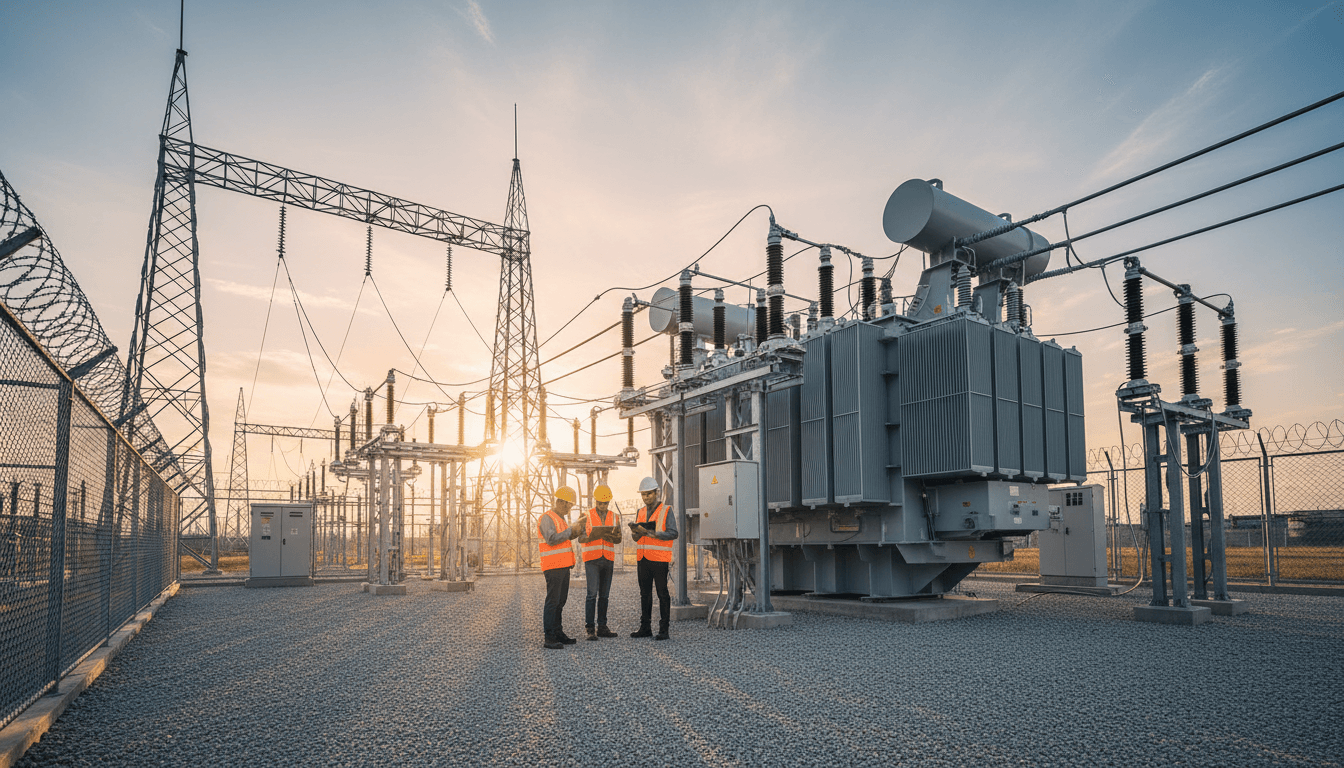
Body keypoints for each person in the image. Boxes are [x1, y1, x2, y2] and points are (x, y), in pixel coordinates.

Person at [629, 476, 677, 641]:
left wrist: (650, 533)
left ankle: (664, 630)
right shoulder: (640, 512)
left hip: (659, 559)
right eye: (643, 494)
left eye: (649, 494)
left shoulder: (666, 510)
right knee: (645, 594)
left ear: (656, 493)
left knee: (662, 593)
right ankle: (645, 628)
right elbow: (636, 539)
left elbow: (673, 533)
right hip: (642, 558)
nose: (646, 497)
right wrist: (635, 533)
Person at [538, 485, 583, 650]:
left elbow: (564, 539)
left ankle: (558, 632)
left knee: (560, 601)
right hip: (553, 566)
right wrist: (570, 530)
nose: (569, 508)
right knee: (553, 601)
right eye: (568, 505)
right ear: (560, 502)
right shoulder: (547, 518)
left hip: (564, 566)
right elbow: (551, 539)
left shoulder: (561, 519)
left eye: (571, 505)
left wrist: (576, 532)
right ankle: (549, 637)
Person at [577, 484, 621, 640]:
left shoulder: (615, 517)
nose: (603, 506)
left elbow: (619, 538)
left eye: (606, 503)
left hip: (608, 559)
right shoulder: (585, 515)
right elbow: (580, 537)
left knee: (604, 595)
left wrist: (609, 536)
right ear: (595, 501)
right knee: (592, 594)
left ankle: (602, 627)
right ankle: (590, 628)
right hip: (592, 560)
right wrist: (594, 536)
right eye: (600, 503)